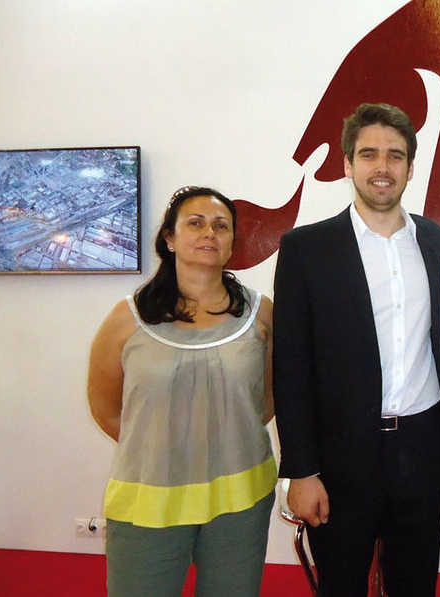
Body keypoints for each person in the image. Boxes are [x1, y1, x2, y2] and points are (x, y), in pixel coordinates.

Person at [272, 103, 440, 597]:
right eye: (369, 154)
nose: (382, 167)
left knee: (415, 586)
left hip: (421, 449)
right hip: (340, 457)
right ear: (348, 164)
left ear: (410, 168)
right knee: (341, 586)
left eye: (395, 156)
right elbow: (290, 367)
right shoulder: (306, 248)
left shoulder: (433, 240)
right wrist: (301, 470)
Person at [87, 185, 276, 597]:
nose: (209, 232)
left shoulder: (260, 313)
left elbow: (267, 399)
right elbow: (106, 408)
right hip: (149, 495)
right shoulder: (127, 318)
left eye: (221, 226)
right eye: (195, 223)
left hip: (241, 495)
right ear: (169, 239)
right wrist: (165, 448)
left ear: (231, 243)